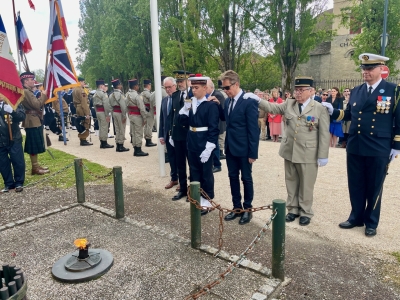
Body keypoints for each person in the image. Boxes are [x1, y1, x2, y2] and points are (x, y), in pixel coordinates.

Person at [322, 53, 400, 237]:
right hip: (356, 144)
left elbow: (399, 119)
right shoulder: (357, 90)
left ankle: (371, 221)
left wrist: (396, 145)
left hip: (378, 145)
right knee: (355, 183)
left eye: (370, 68)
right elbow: (349, 114)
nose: (365, 72)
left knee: (374, 185)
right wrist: (334, 111)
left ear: (381, 69)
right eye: (363, 69)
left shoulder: (393, 90)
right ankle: (356, 216)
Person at [256, 76, 330, 226]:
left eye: (301, 90)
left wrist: (323, 155)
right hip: (290, 151)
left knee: (306, 184)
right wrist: (257, 100)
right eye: (296, 90)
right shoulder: (289, 104)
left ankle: (305, 212)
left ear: (311, 91)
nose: (298, 93)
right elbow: (272, 108)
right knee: (291, 181)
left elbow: (323, 133)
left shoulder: (319, 108)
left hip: (308, 153)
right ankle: (293, 209)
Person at [217, 70, 259, 225]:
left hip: (244, 148)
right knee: (232, 177)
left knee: (246, 179)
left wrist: (253, 152)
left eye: (227, 88)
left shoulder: (249, 101)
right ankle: (237, 208)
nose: (226, 91)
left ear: (236, 84)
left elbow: (253, 129)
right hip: (230, 147)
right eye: (224, 88)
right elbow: (227, 119)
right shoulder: (227, 101)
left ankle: (247, 209)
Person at [179, 75, 220, 215]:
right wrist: (184, 110)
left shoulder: (211, 105)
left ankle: (207, 200)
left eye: (196, 88)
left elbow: (214, 129)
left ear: (204, 88)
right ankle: (196, 197)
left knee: (206, 173)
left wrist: (209, 148)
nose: (194, 90)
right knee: (194, 171)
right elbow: (183, 122)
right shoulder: (191, 103)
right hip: (192, 141)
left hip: (204, 142)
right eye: (192, 88)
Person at [20, 72, 50, 175]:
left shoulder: (28, 91)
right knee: (33, 145)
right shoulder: (26, 92)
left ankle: (36, 165)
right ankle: (35, 167)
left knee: (35, 145)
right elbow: (36, 105)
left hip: (33, 120)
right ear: (25, 81)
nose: (33, 81)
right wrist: (44, 96)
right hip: (31, 121)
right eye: (31, 79)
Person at [170, 70, 191, 201]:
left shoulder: (192, 94)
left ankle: (192, 191)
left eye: (181, 81)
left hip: (188, 133)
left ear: (187, 81)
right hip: (177, 134)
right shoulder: (175, 95)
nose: (179, 84)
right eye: (178, 82)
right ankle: (183, 188)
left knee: (192, 165)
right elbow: (173, 116)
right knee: (180, 164)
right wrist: (171, 133)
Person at [0, 97, 26, 192]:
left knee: (17, 160)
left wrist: (12, 111)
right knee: (3, 163)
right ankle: (8, 184)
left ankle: (19, 182)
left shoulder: (13, 102)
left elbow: (22, 116)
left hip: (13, 137)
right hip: (0, 139)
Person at [159, 77, 179, 189]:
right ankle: (174, 178)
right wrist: (161, 135)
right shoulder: (165, 100)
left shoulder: (179, 99)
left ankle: (182, 180)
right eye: (165, 87)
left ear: (174, 86)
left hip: (178, 135)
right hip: (167, 134)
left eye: (169, 87)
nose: (167, 89)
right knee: (171, 157)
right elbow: (162, 119)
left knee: (180, 158)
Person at [206, 79, 226, 173]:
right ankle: (214, 163)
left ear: (211, 87)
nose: (205, 89)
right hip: (212, 124)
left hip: (218, 124)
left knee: (216, 145)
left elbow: (219, 111)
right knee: (214, 145)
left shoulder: (217, 95)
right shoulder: (211, 94)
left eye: (206, 87)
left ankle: (217, 165)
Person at [126, 79, 148, 156]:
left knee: (134, 133)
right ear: (135, 86)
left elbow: (126, 106)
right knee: (138, 133)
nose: (138, 86)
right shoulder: (137, 96)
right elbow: (141, 108)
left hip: (131, 115)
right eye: (137, 85)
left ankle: (135, 148)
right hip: (137, 116)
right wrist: (144, 118)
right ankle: (138, 149)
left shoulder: (127, 94)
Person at [109, 79, 129, 152]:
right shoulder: (120, 95)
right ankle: (121, 145)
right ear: (118, 85)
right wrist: (124, 116)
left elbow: (110, 106)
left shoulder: (111, 95)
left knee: (117, 129)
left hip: (114, 112)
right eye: (120, 84)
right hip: (120, 113)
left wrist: (112, 114)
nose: (121, 86)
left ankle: (117, 144)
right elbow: (123, 106)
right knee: (121, 129)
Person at [93, 79, 113, 149]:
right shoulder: (103, 94)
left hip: (98, 111)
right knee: (104, 127)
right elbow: (106, 105)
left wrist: (96, 111)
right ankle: (104, 142)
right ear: (101, 86)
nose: (104, 87)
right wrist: (107, 115)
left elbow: (94, 105)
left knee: (101, 127)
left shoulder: (95, 94)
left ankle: (102, 142)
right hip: (103, 112)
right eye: (104, 85)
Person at [73, 77, 92, 146]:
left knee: (80, 122)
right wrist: (87, 113)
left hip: (78, 107)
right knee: (85, 123)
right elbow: (84, 103)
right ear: (80, 82)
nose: (84, 83)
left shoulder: (74, 90)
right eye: (83, 82)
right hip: (82, 107)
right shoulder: (81, 90)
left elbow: (74, 102)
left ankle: (82, 139)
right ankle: (83, 139)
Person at [142, 79, 157, 147]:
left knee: (146, 126)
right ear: (148, 85)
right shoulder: (148, 93)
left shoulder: (142, 93)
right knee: (149, 126)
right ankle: (148, 140)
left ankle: (147, 139)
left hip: (145, 110)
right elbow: (152, 100)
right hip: (149, 110)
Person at [217, 80, 227, 159]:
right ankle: (220, 152)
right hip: (222, 117)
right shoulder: (223, 94)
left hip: (217, 118)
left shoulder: (216, 93)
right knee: (221, 136)